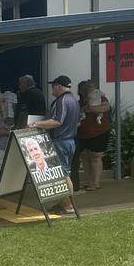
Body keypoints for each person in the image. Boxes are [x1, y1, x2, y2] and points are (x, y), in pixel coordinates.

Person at [33, 75, 80, 213]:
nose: (52, 89)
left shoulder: (62, 100)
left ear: (59, 86)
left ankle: (68, 206)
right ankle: (64, 203)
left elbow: (57, 121)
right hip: (70, 141)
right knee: (65, 173)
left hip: (61, 141)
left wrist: (36, 124)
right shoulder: (74, 100)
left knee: (63, 174)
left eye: (53, 86)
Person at [76, 80, 111, 191]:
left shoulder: (101, 98)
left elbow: (105, 108)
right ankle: (88, 181)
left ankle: (95, 183)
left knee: (95, 157)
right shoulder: (80, 101)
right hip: (83, 134)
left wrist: (90, 109)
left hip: (99, 132)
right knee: (85, 157)